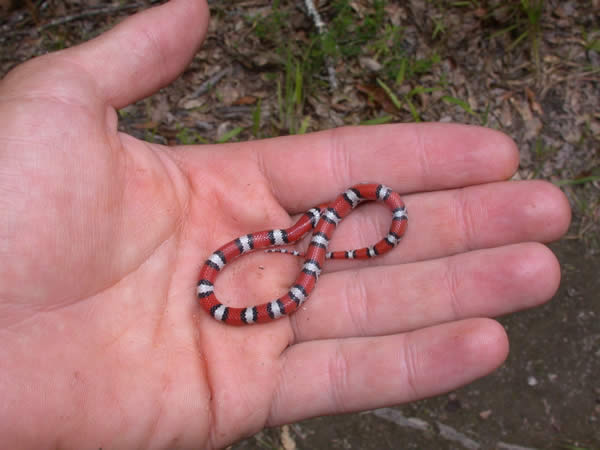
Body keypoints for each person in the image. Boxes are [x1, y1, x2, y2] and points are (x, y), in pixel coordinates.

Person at [0, 0, 571, 448]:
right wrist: (322, 246)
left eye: (323, 225)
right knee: (276, 265)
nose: (320, 229)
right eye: (323, 226)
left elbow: (308, 234)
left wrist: (329, 242)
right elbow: (257, 264)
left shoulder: (310, 232)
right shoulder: (299, 240)